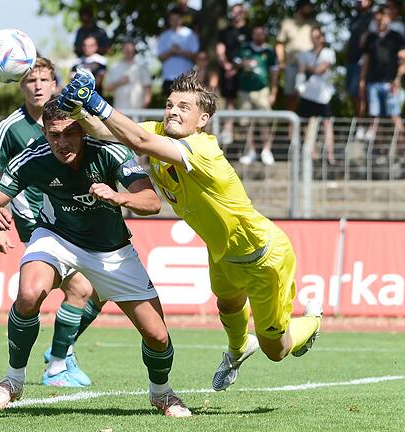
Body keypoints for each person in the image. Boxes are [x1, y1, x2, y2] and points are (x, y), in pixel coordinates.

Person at [57, 68, 323, 393]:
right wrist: (77, 110)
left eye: (184, 107)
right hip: (222, 251)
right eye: (170, 104)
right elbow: (109, 133)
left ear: (202, 120)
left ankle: (312, 321)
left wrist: (95, 100)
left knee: (277, 350)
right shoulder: (159, 131)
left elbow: (137, 140)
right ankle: (238, 351)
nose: (173, 111)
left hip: (262, 256)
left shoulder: (203, 148)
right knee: (227, 305)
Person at [0, 97, 191, 417]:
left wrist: (118, 196)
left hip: (111, 251)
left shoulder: (109, 150)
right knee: (29, 293)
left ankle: (161, 392)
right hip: (56, 237)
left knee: (158, 335)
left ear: (83, 129)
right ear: (45, 133)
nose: (62, 143)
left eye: (69, 133)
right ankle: (13, 380)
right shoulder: (33, 157)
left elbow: (151, 201)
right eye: (53, 134)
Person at [0, 57, 98, 387]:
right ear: (20, 84)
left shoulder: (70, 120)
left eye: (45, 80)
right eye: (31, 81)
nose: (38, 86)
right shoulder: (10, 127)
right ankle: (57, 363)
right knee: (80, 288)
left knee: (95, 291)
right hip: (35, 222)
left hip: (69, 219)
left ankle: (62, 351)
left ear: (55, 84)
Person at [359, 7, 405, 145]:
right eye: (379, 18)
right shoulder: (371, 38)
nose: (381, 21)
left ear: (389, 18)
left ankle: (401, 148)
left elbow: (404, 60)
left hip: (391, 83)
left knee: (394, 115)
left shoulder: (396, 37)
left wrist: (397, 80)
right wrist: (362, 81)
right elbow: (366, 61)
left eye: (384, 17)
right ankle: (380, 150)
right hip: (373, 82)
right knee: (375, 117)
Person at [234, 24, 279, 166]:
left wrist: (274, 91)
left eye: (261, 33)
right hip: (244, 90)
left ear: (264, 35)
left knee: (264, 121)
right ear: (252, 35)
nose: (258, 36)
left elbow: (275, 73)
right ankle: (251, 151)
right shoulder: (244, 48)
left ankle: (266, 150)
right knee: (246, 122)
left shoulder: (270, 52)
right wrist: (243, 64)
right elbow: (235, 64)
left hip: (262, 90)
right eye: (256, 33)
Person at [297, 27, 336, 165]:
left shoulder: (328, 53)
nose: (315, 39)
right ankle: (310, 152)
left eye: (317, 36)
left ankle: (330, 154)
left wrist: (307, 67)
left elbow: (321, 69)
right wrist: (299, 85)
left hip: (323, 95)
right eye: (312, 36)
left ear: (322, 38)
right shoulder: (304, 54)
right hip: (308, 94)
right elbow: (300, 72)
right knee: (307, 124)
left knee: (327, 124)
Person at [215, 2, 251, 145]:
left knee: (246, 104)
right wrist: (227, 66)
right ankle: (228, 131)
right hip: (228, 73)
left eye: (238, 12)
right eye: (233, 12)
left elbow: (252, 53)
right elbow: (220, 51)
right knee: (229, 101)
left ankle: (248, 143)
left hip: (247, 75)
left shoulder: (249, 31)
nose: (235, 15)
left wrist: (237, 68)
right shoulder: (225, 32)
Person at [275, 0, 317, 112]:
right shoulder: (288, 24)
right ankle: (291, 128)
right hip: (292, 65)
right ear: (301, 7)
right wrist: (281, 61)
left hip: (310, 67)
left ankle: (308, 127)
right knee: (291, 97)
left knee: (310, 98)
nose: (311, 9)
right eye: (308, 6)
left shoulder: (313, 24)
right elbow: (279, 44)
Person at [157, 7, 199, 97]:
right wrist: (171, 51)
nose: (175, 21)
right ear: (169, 20)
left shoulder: (190, 34)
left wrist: (180, 52)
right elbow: (160, 57)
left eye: (177, 19)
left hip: (186, 78)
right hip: (168, 78)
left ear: (182, 19)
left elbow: (195, 56)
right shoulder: (164, 36)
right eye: (172, 19)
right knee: (169, 106)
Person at [346, 0, 374, 123]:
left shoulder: (373, 18)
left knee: (362, 94)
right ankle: (359, 124)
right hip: (351, 60)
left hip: (365, 61)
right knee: (353, 93)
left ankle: (364, 125)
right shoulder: (354, 18)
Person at [104, 41, 152, 111]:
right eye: (126, 49)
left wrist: (143, 107)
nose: (128, 51)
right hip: (119, 110)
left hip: (137, 110)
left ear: (134, 50)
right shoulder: (114, 67)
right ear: (122, 50)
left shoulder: (141, 67)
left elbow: (148, 89)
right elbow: (107, 88)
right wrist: (119, 82)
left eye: (130, 49)